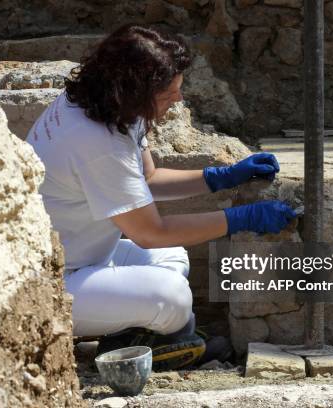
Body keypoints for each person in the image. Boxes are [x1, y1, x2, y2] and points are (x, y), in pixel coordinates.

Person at [26, 24, 296, 371]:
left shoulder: (110, 106)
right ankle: (158, 344)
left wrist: (221, 177)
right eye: (169, 93)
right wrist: (239, 220)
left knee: (173, 257)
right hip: (57, 283)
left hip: (86, 255)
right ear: (136, 90)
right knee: (173, 297)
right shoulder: (95, 142)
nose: (178, 99)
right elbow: (150, 232)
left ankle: (129, 336)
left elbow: (147, 179)